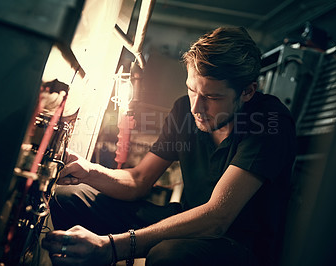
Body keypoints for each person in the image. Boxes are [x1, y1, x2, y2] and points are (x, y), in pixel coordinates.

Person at [42, 26, 296, 266]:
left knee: (168, 255)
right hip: (189, 218)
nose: (197, 107)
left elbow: (217, 218)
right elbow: (138, 180)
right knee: (70, 197)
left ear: (248, 92)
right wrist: (88, 171)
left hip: (238, 245)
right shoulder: (184, 110)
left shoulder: (269, 122)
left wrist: (112, 247)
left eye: (212, 97)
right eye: (192, 90)